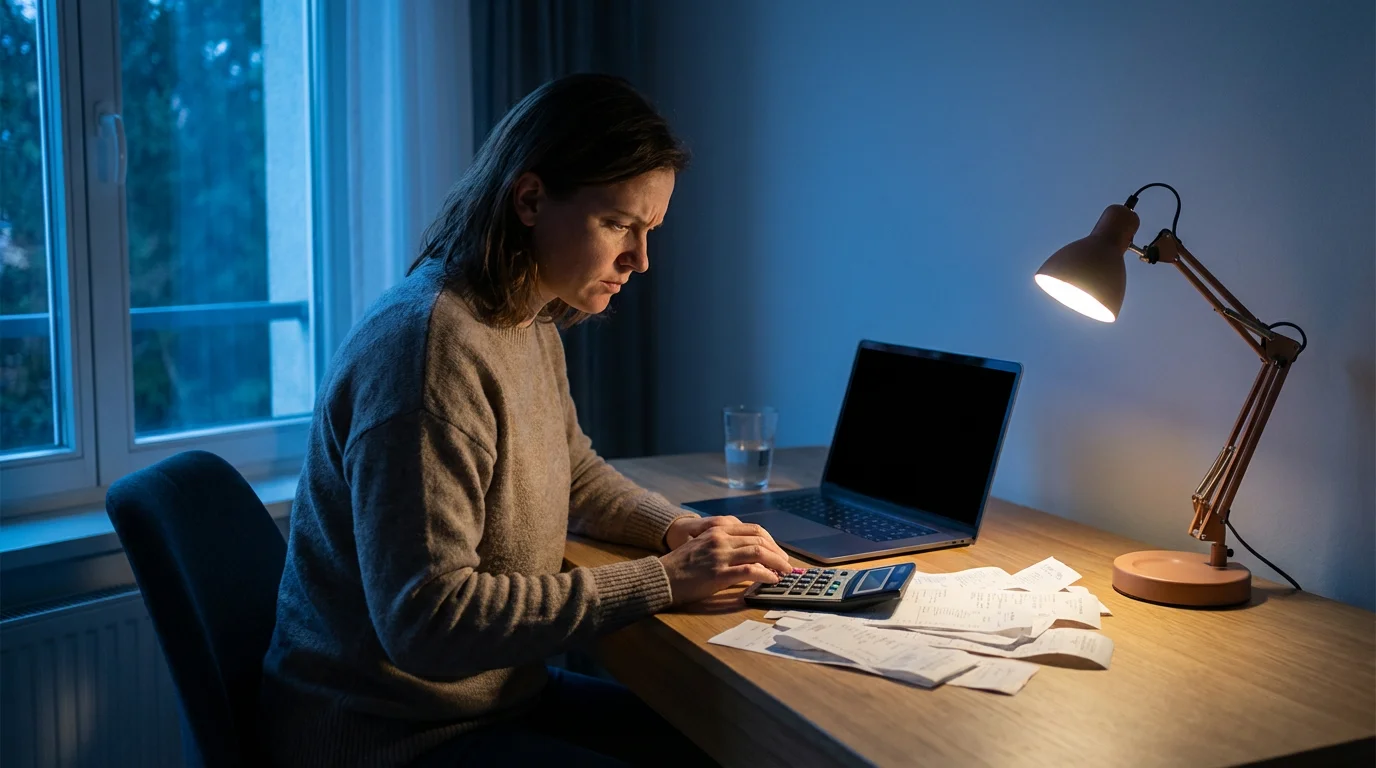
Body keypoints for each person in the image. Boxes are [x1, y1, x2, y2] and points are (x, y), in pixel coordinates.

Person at [259, 73, 793, 767]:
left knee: (723, 741)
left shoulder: (524, 314)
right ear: (531, 200)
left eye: (649, 230)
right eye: (618, 225)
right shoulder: (430, 352)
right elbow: (428, 622)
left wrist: (671, 527)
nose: (641, 260)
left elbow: (571, 468)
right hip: (388, 735)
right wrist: (664, 579)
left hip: (487, 701)